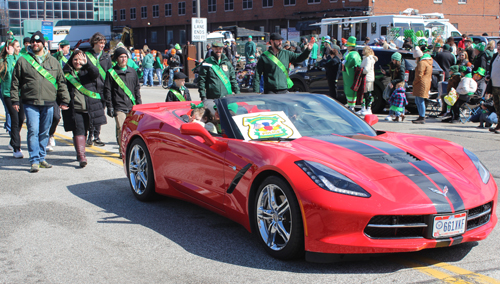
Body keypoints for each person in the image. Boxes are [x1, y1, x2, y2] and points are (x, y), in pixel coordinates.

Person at [10, 31, 70, 172]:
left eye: (38, 41)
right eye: (33, 42)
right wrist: (14, 100)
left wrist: (65, 100)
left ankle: (42, 157)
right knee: (33, 131)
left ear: (43, 44)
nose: (35, 44)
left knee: (44, 132)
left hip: (49, 102)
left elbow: (61, 82)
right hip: (30, 102)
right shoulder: (23, 60)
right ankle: (34, 160)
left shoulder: (53, 61)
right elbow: (15, 82)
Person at [62, 50, 106, 167]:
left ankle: (79, 151)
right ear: (71, 60)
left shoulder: (88, 70)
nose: (77, 62)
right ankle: (82, 156)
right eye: (75, 59)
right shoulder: (66, 73)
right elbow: (61, 88)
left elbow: (96, 74)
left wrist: (87, 64)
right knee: (78, 130)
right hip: (75, 107)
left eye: (80, 59)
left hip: (89, 107)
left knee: (85, 130)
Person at [104, 47, 142, 148]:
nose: (124, 59)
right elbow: (108, 90)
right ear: (117, 59)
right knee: (121, 128)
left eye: (125, 57)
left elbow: (136, 89)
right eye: (121, 57)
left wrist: (139, 104)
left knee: (132, 129)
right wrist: (110, 106)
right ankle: (123, 151)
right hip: (118, 105)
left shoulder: (132, 72)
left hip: (131, 106)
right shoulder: (111, 72)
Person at [85, 32, 112, 147]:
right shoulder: (86, 56)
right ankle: (89, 136)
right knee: (91, 113)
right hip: (90, 89)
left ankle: (96, 136)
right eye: (100, 43)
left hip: (102, 90)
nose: (102, 45)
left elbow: (110, 74)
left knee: (99, 113)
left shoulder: (106, 57)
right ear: (94, 43)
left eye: (103, 43)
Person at [0, 39, 23, 158]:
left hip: (20, 94)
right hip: (8, 94)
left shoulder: (20, 58)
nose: (19, 48)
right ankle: (16, 148)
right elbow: (9, 73)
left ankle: (13, 140)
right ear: (9, 48)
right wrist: (9, 56)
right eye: (16, 47)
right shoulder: (3, 61)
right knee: (14, 119)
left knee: (21, 119)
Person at [411, 46, 433, 124]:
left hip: (421, 83)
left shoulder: (422, 63)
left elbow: (419, 75)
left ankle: (422, 117)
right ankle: (421, 116)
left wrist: (414, 82)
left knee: (419, 101)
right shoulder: (428, 61)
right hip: (425, 82)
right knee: (418, 100)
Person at [342, 36, 362, 110]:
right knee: (348, 89)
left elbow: (351, 62)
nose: (346, 47)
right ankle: (351, 105)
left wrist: (345, 62)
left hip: (350, 75)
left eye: (348, 46)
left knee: (350, 89)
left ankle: (351, 106)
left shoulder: (353, 54)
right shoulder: (351, 53)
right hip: (347, 75)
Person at [357, 46, 378, 115]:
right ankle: (364, 108)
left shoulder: (368, 59)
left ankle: (367, 108)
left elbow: (366, 69)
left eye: (363, 50)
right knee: (366, 93)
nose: (362, 51)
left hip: (367, 78)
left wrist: (360, 70)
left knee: (366, 93)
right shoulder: (368, 58)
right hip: (369, 78)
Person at [485, 40, 500, 133]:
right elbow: (491, 69)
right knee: (497, 106)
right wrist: (488, 76)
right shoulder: (495, 56)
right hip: (494, 85)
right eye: (498, 46)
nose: (499, 47)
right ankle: (498, 123)